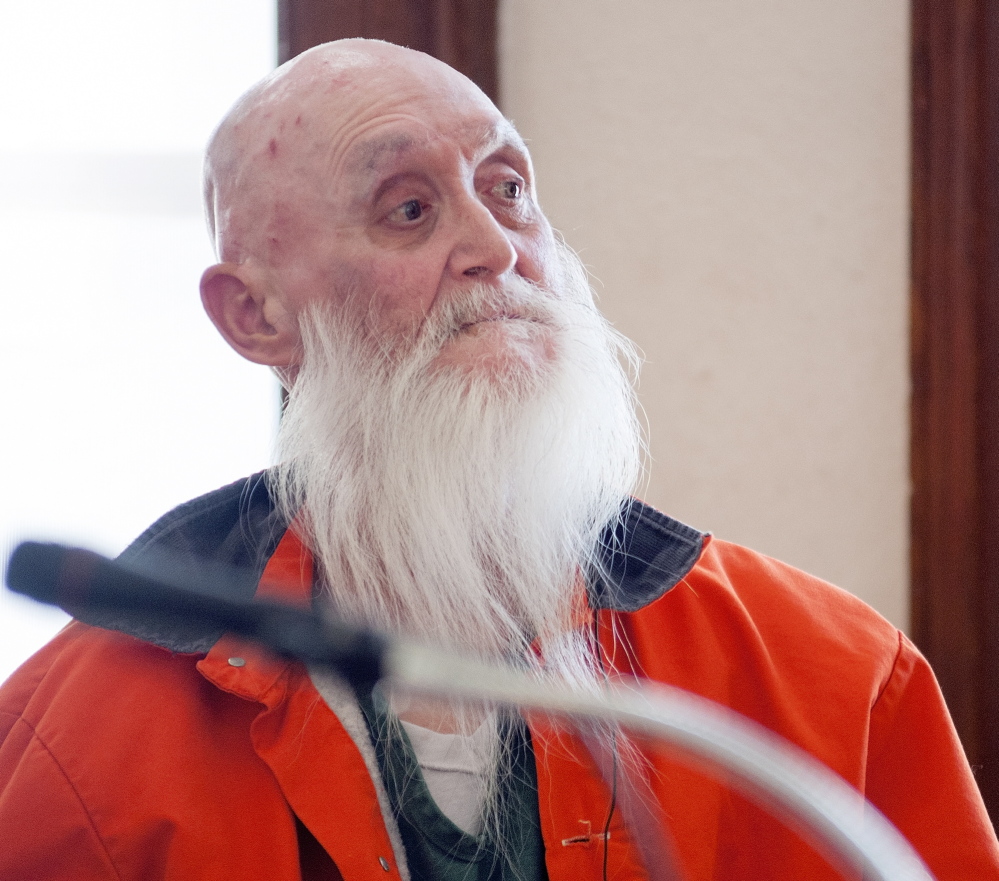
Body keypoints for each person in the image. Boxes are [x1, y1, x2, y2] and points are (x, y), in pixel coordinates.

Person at [0, 38, 996, 881]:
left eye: (508, 189)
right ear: (256, 315)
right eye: (408, 209)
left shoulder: (831, 682)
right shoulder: (81, 735)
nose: (494, 245)